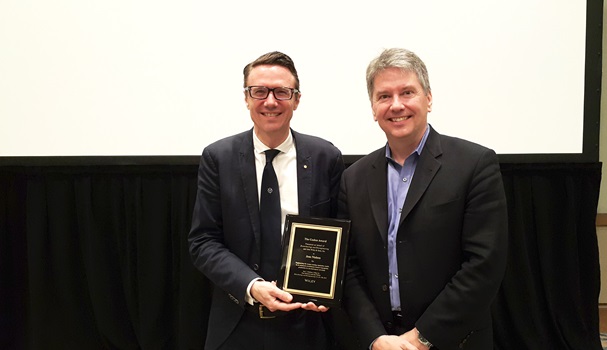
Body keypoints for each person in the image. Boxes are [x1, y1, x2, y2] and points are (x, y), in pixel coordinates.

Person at [338, 48, 508, 350]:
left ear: (428, 98)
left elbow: (483, 265)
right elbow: (349, 268)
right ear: (373, 107)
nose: (396, 105)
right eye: (384, 96)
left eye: (407, 92)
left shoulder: (474, 164)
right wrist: (376, 338)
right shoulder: (355, 178)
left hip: (453, 341)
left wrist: (421, 338)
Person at [188, 51, 345, 350]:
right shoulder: (218, 158)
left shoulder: (326, 157)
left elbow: (340, 238)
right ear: (246, 98)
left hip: (308, 326)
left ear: (296, 99)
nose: (270, 101)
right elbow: (203, 241)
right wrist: (252, 286)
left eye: (282, 92)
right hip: (238, 323)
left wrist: (324, 289)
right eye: (259, 91)